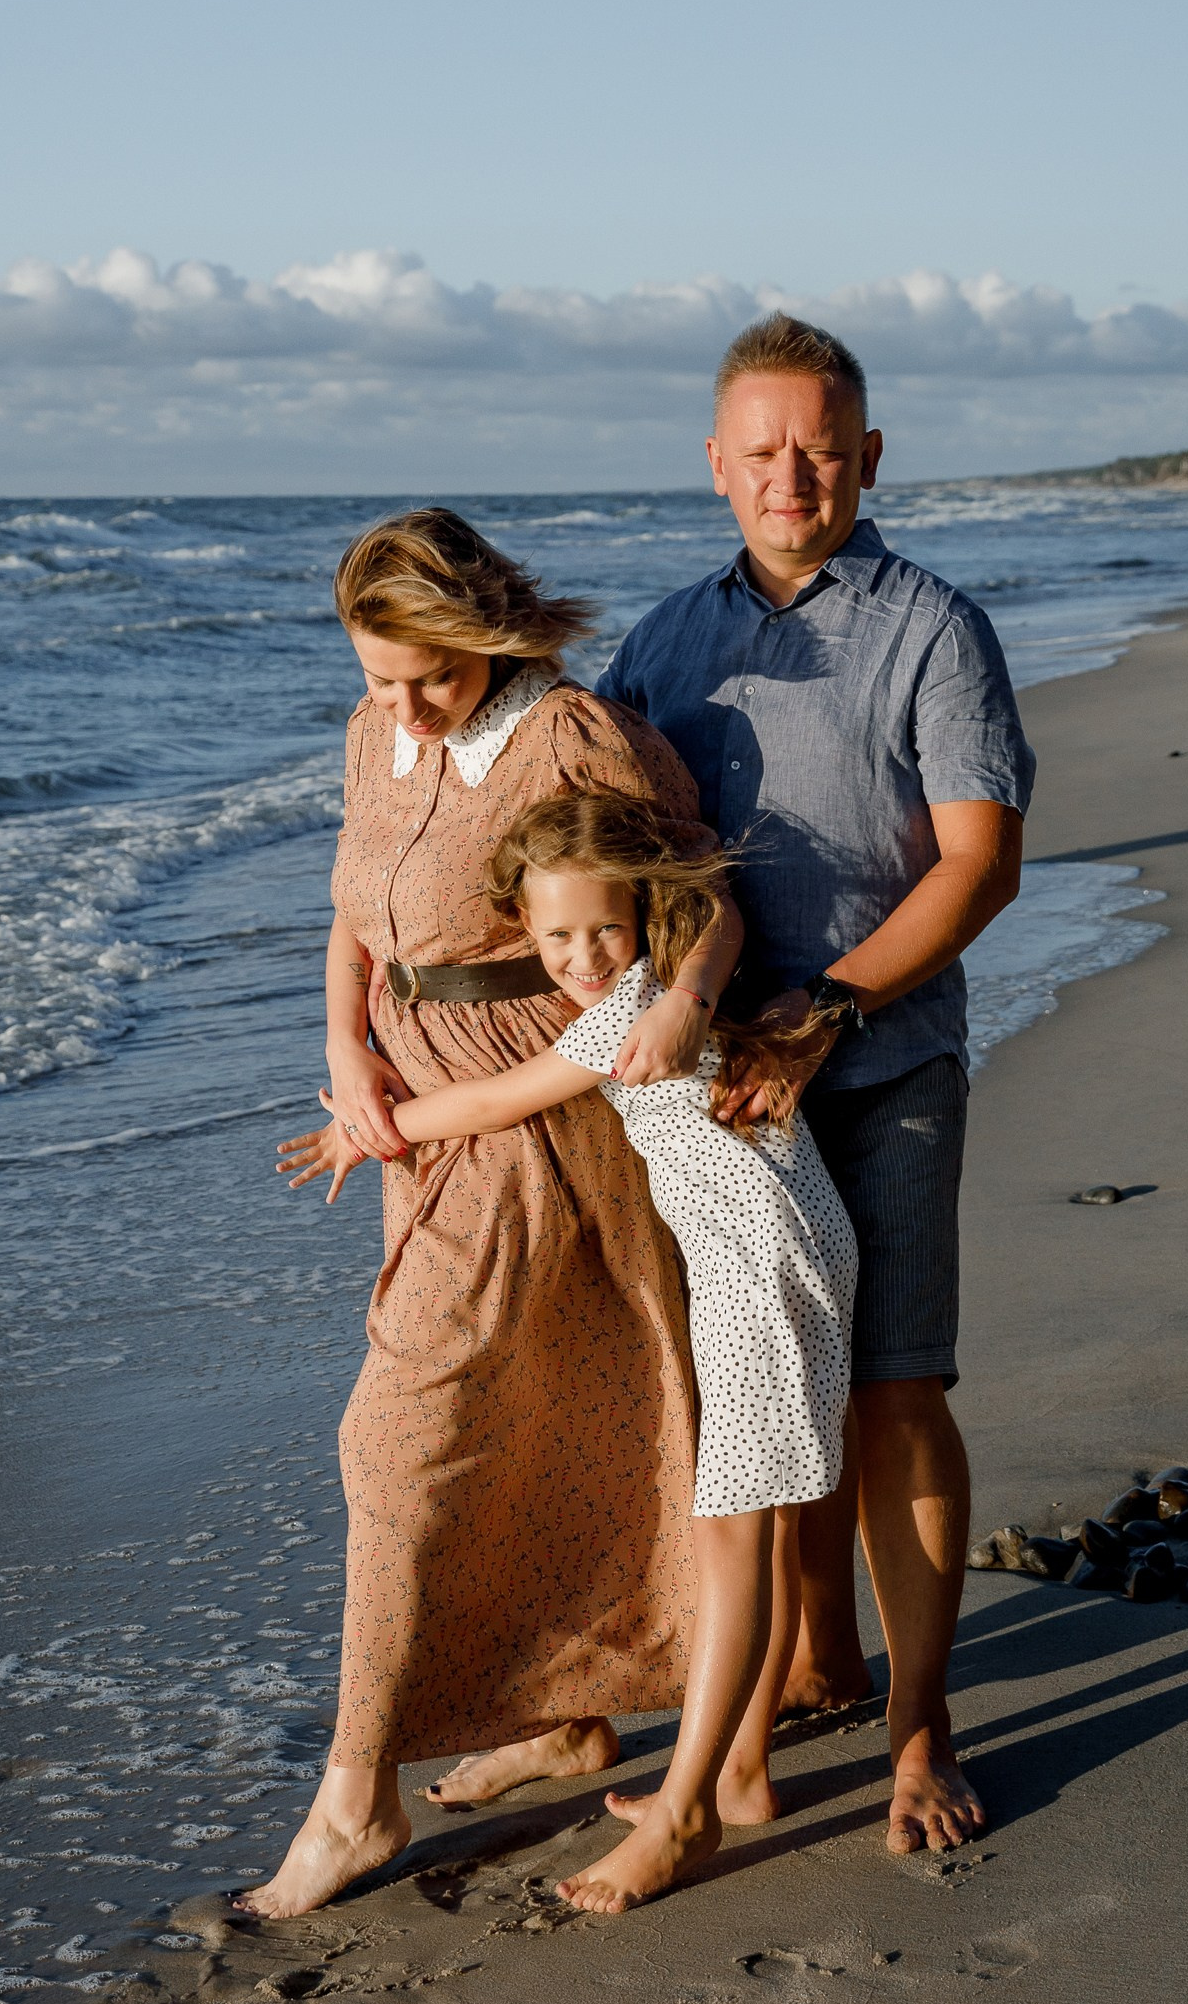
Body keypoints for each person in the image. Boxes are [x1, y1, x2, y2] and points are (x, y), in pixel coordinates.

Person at [238, 507, 740, 1923]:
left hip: (531, 1116)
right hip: (404, 1110)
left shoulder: (572, 739)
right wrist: (347, 1053)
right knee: (536, 1407)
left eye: (427, 678)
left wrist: (686, 1009)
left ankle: (353, 1797)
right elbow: (355, 911)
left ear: (487, 631)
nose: (396, 704)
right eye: (378, 676)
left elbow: (692, 900)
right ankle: (571, 1713)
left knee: (398, 1434)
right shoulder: (369, 727)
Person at [596, 313, 1034, 1855]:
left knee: (896, 1387)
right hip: (713, 1097)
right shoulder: (654, 648)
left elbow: (980, 864)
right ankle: (811, 1659)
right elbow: (569, 838)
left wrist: (824, 1012)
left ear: (866, 456)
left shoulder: (932, 627)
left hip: (886, 1057)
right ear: (715, 463)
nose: (795, 472)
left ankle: (919, 1727)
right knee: (759, 1405)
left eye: (822, 444)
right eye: (763, 447)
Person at [286, 785, 854, 1915]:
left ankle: (691, 1811)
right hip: (787, 1250)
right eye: (553, 938)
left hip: (759, 1274)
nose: (583, 957)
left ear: (642, 917)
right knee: (764, 1518)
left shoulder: (630, 1012)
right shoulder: (681, 979)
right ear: (520, 931)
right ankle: (736, 1774)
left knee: (732, 1534)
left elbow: (500, 1099)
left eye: (602, 928)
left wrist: (368, 1129)